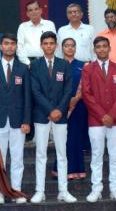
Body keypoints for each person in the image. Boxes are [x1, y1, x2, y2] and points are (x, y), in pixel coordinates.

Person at [30, 31, 76, 203]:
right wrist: (50, 110)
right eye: (46, 43)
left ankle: (63, 191)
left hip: (61, 115)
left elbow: (68, 90)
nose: (49, 46)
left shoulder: (64, 65)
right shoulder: (34, 65)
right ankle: (39, 191)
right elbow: (35, 91)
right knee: (41, 154)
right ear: (41, 45)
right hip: (42, 115)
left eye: (51, 43)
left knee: (62, 154)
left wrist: (59, 110)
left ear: (56, 45)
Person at [82, 36, 116, 204]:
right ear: (94, 50)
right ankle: (97, 189)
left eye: (104, 46)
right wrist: (102, 115)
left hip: (115, 121)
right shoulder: (88, 69)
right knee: (96, 155)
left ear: (109, 48)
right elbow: (86, 95)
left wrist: (112, 115)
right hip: (96, 120)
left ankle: (115, 189)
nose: (101, 49)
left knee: (115, 156)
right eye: (98, 47)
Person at [0, 34, 31, 204]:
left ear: (16, 47)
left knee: (18, 158)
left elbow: (27, 97)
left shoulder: (23, 68)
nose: (10, 46)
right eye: (6, 43)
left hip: (18, 121)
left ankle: (17, 191)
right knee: (0, 159)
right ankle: (0, 193)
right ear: (1, 46)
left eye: (13, 44)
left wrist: (27, 120)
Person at [51, 38, 89, 180]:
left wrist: (76, 98)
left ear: (76, 48)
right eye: (66, 46)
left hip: (78, 106)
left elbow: (86, 85)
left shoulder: (83, 65)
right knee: (63, 139)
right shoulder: (57, 64)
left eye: (72, 46)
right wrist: (63, 103)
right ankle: (59, 170)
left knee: (75, 137)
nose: (70, 48)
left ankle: (77, 170)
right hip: (61, 107)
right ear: (62, 48)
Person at [16, 1, 56, 65]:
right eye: (30, 10)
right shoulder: (22, 26)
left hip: (47, 62)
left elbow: (54, 44)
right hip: (28, 62)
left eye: (36, 9)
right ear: (27, 13)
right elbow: (19, 47)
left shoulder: (49, 24)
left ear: (41, 10)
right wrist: (28, 63)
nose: (34, 12)